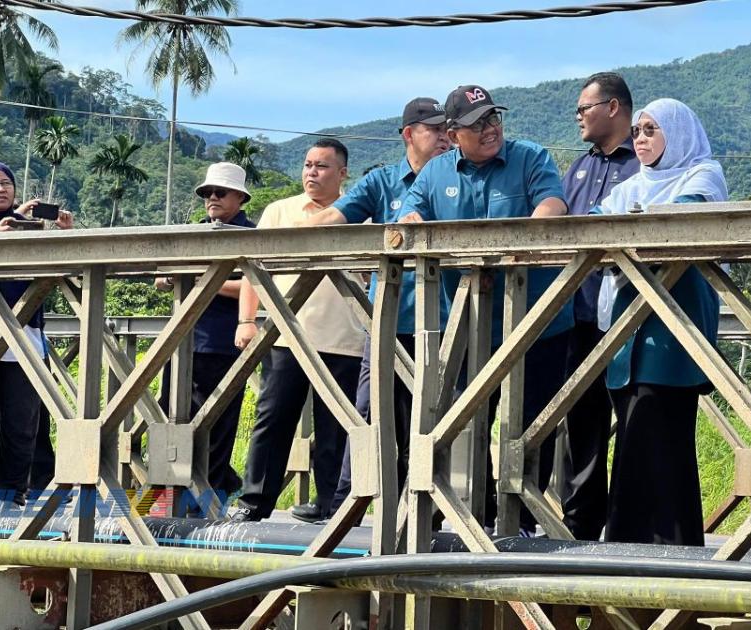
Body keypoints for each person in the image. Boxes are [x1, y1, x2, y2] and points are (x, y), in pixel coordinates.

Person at [399, 84, 569, 535]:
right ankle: (468, 517)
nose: (490, 129)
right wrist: (410, 224)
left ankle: (525, 523)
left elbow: (553, 203)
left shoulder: (530, 156)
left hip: (537, 322)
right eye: (477, 124)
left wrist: (524, 239)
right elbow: (409, 217)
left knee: (533, 426)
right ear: (454, 135)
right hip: (469, 329)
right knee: (466, 424)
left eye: (494, 118)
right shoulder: (434, 175)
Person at [288, 97, 451, 522]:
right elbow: (336, 217)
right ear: (409, 135)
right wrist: (287, 241)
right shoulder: (382, 182)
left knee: (435, 419)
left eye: (447, 130)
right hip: (389, 320)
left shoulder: (458, 175)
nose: (443, 138)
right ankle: (347, 507)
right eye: (434, 130)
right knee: (368, 412)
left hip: (445, 320)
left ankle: (429, 512)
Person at [594, 98, 725, 545]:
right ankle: (637, 548)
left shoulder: (702, 174)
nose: (641, 138)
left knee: (662, 446)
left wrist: (626, 232)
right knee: (632, 441)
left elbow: (679, 222)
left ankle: (663, 548)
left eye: (652, 129)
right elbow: (594, 225)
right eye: (637, 131)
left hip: (672, 334)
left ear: (678, 133)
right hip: (627, 334)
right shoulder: (633, 186)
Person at [231, 139, 366, 522]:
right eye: (308, 164)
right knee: (272, 421)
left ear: (342, 174)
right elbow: (253, 271)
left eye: (322, 166)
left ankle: (332, 506)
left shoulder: (361, 214)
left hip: (346, 339)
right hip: (286, 336)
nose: (311, 172)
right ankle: (253, 503)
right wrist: (246, 321)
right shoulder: (280, 211)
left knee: (335, 430)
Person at [560, 72, 640, 541]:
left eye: (584, 109)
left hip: (630, 315)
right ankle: (579, 528)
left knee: (632, 419)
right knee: (580, 423)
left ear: (613, 108)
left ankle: (628, 527)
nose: (578, 118)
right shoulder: (579, 168)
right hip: (580, 313)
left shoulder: (644, 162)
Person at [0, 161, 73, 505]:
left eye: (7, 183)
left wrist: (64, 234)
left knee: (22, 420)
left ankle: (14, 493)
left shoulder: (28, 227)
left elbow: (66, 268)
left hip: (25, 336)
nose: (1, 189)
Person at [155, 162, 255, 505]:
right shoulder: (194, 232)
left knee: (216, 423)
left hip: (222, 341)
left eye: (219, 192)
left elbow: (253, 286)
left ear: (240, 197)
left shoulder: (252, 235)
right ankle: (164, 497)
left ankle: (208, 500)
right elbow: (160, 277)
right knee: (168, 418)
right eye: (206, 193)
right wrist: (174, 277)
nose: (211, 198)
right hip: (182, 340)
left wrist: (200, 282)